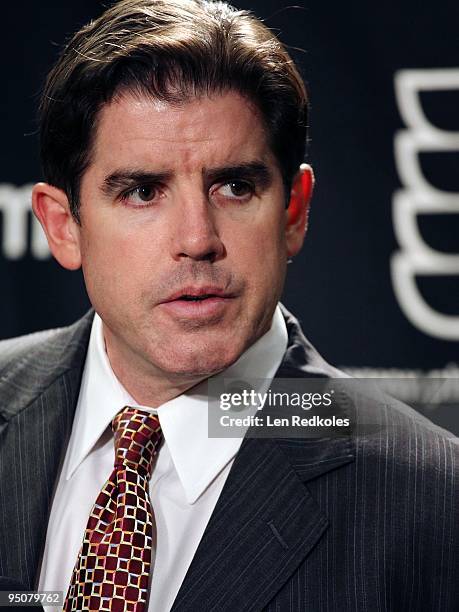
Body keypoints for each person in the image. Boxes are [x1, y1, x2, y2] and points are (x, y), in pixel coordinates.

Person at [0, 0, 457, 610]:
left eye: (236, 186)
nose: (197, 239)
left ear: (294, 210)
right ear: (63, 227)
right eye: (142, 191)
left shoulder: (429, 499)